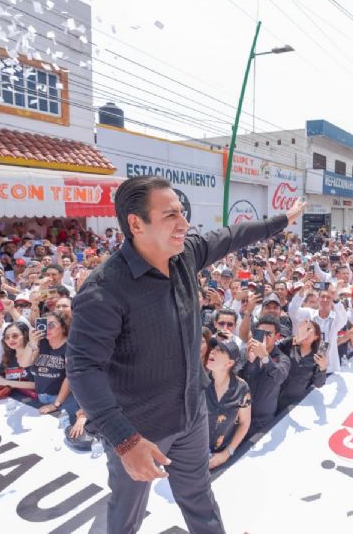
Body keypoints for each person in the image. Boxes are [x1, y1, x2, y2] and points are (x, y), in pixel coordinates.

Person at [67, 175, 305, 534]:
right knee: (125, 514)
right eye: (171, 215)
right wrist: (124, 440)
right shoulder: (104, 290)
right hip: (139, 430)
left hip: (192, 415)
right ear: (136, 224)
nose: (185, 223)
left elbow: (232, 236)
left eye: (182, 212)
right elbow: (83, 368)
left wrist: (281, 221)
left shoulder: (185, 255)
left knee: (199, 499)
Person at [239, 315, 291, 435]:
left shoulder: (283, 359)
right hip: (239, 418)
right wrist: (249, 360)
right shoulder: (244, 353)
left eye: (269, 334)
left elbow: (279, 377)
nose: (264, 337)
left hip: (262, 422)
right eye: (261, 333)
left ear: (277, 336)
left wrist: (265, 357)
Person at [204, 337, 251, 470]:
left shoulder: (242, 388)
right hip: (192, 454)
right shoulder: (198, 382)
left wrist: (227, 453)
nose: (213, 351)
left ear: (229, 363)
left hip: (223, 458)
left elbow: (244, 423)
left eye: (220, 351)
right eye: (213, 348)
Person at [276, 319, 328, 412]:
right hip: (274, 395)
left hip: (295, 404)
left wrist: (323, 368)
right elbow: (273, 349)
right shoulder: (290, 343)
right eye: (304, 329)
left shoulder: (317, 357)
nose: (305, 333)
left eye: (308, 329)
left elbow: (318, 384)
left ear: (316, 336)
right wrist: (295, 340)